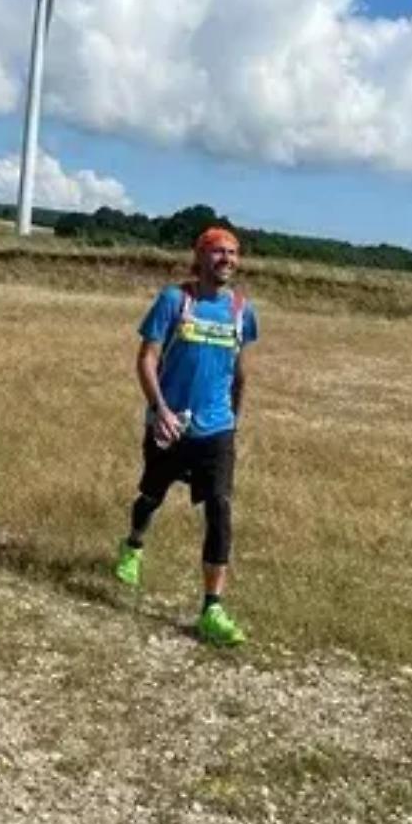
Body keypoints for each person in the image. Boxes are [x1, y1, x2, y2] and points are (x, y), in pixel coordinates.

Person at [113, 225, 259, 646]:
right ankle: (134, 545)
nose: (226, 259)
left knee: (220, 510)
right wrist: (159, 409)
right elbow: (147, 358)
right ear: (200, 257)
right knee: (151, 495)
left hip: (217, 428)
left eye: (233, 253)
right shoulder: (175, 301)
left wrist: (233, 422)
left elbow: (240, 372)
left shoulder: (241, 311)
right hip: (170, 424)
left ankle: (212, 608)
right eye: (218, 252)